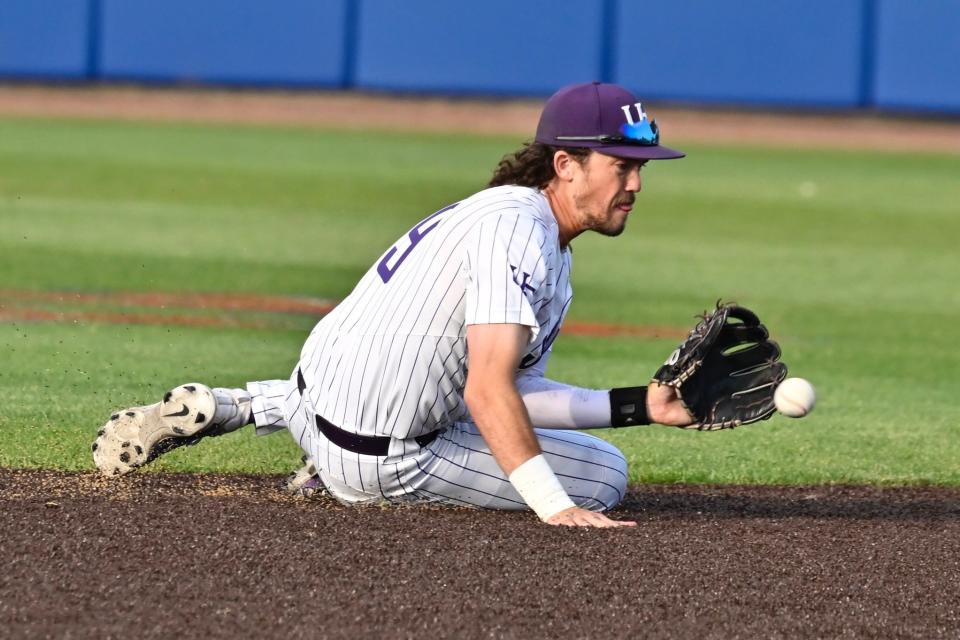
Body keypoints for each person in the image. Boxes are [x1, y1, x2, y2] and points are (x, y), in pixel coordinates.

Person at [93, 81, 696, 529]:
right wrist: (555, 507)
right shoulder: (523, 235)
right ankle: (331, 477)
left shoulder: (508, 216)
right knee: (604, 476)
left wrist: (641, 405)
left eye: (640, 168)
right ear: (565, 164)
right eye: (623, 166)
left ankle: (238, 407)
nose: (637, 185)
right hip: (378, 458)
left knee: (473, 396)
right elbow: (489, 393)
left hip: (313, 394)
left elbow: (514, 391)